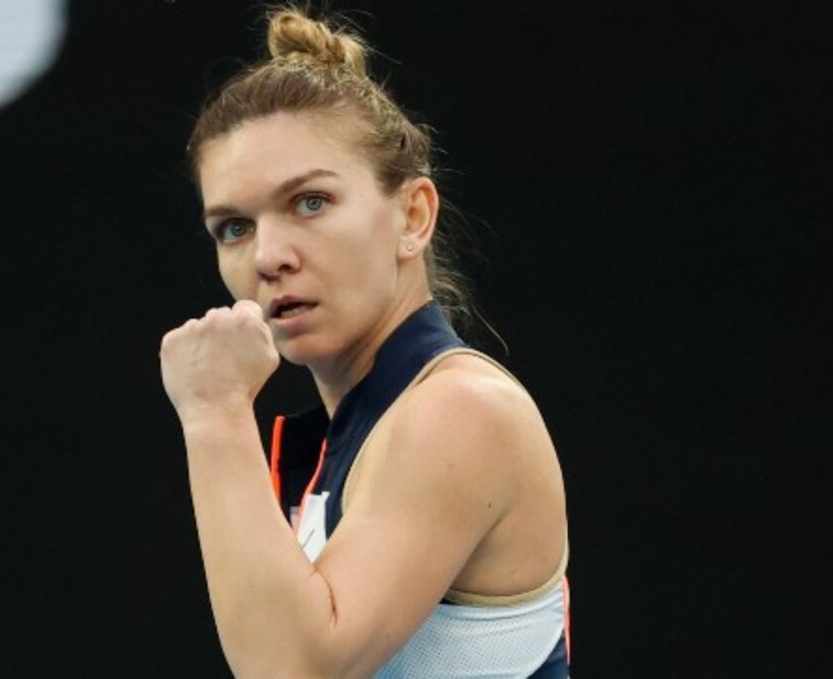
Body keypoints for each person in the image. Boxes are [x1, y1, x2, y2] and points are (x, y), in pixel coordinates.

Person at [159, 4, 571, 676]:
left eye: (310, 202)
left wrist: (214, 411)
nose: (268, 256)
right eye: (234, 227)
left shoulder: (459, 410)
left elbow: (291, 667)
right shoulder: (356, 435)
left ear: (413, 216)